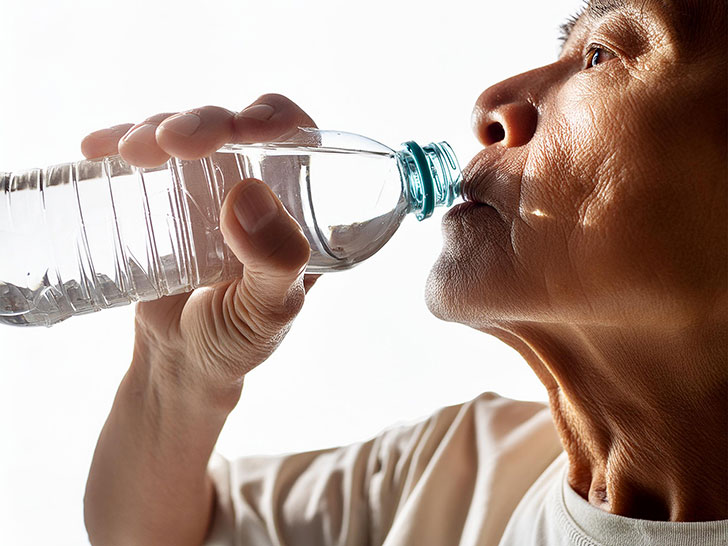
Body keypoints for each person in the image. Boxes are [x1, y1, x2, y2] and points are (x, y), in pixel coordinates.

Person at [81, 0, 727, 544]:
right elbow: (148, 532)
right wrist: (177, 368)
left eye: (600, 55)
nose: (492, 107)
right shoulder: (454, 472)